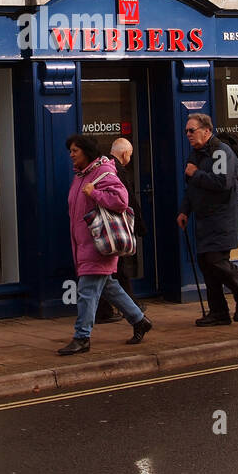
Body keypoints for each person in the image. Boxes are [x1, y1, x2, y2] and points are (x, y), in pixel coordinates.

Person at [59, 133, 152, 355]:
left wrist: (96, 193)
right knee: (110, 287)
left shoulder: (103, 171)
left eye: (75, 151)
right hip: (85, 242)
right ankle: (139, 320)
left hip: (99, 243)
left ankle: (82, 337)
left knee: (87, 291)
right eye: (70, 151)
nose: (71, 155)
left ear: (87, 152)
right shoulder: (81, 174)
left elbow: (121, 200)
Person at [177, 113, 238, 326]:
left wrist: (196, 174)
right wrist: (185, 211)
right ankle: (219, 312)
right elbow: (191, 186)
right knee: (206, 263)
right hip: (205, 219)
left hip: (222, 218)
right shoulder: (197, 154)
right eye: (186, 131)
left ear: (207, 130)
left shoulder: (220, 152)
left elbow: (222, 183)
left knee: (215, 260)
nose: (188, 134)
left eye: (191, 130)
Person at [94, 137, 146, 324]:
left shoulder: (103, 166)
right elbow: (127, 200)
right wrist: (139, 223)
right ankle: (129, 307)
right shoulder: (115, 170)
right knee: (118, 269)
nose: (130, 159)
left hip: (106, 228)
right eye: (130, 155)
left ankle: (117, 308)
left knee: (112, 272)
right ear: (125, 154)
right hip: (114, 229)